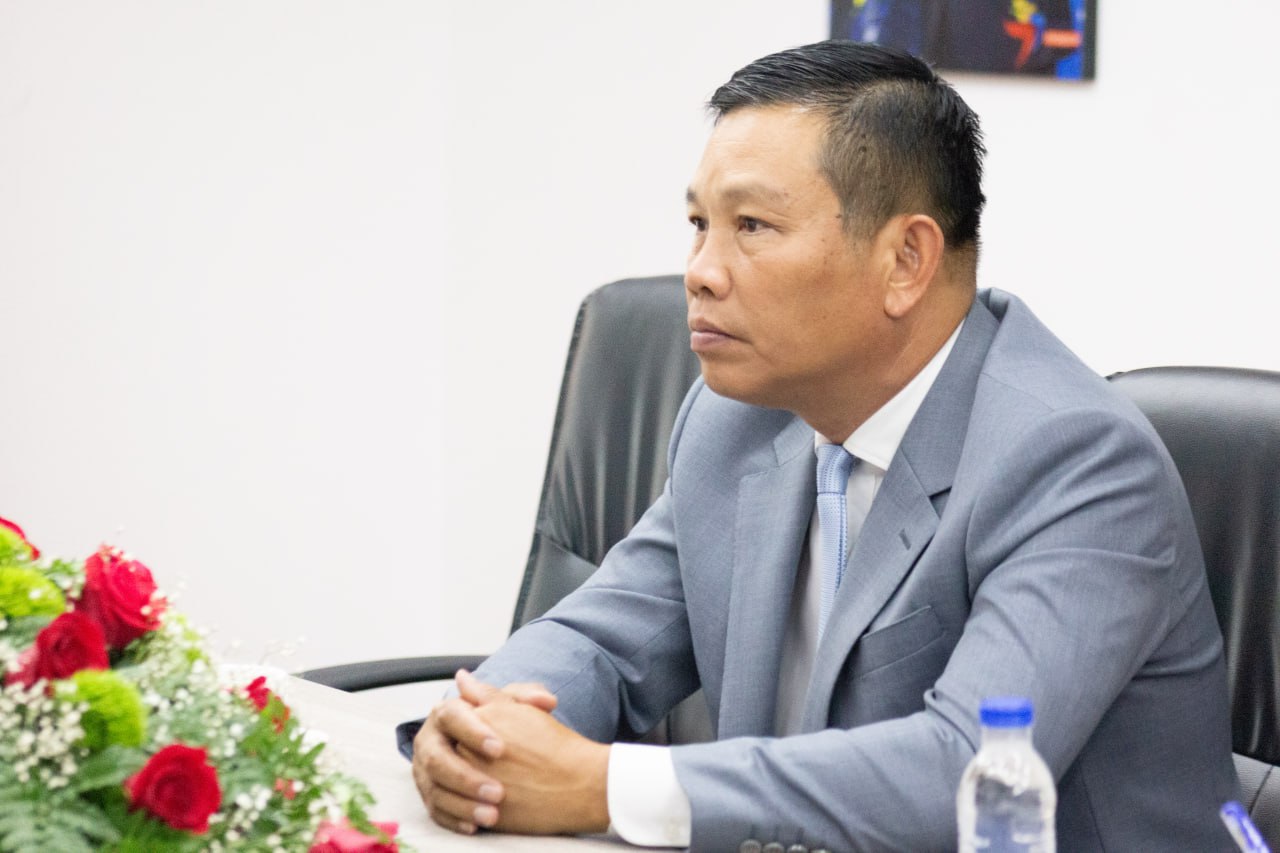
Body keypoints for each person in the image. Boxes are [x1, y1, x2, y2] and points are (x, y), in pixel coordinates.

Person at [412, 40, 1239, 851]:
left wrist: (603, 785)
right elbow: (601, 639)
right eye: (699, 223)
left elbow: (965, 771)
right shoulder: (737, 419)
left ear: (906, 260)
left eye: (752, 224)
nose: (700, 270)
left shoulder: (1075, 459)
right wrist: (485, 727)